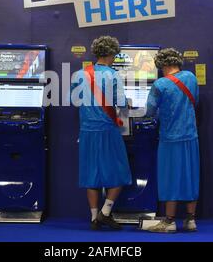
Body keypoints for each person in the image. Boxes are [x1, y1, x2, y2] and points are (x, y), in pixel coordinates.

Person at [70, 36, 132, 231]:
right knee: (119, 173)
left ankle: (94, 218)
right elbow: (121, 103)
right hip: (107, 130)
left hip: (87, 131)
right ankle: (105, 213)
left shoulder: (79, 74)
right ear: (112, 54)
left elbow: (74, 100)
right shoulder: (113, 75)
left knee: (91, 175)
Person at [146, 48, 200, 233]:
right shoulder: (191, 78)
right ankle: (190, 220)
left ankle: (169, 221)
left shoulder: (160, 84)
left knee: (170, 177)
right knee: (190, 175)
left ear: (164, 65)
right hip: (190, 136)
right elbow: (195, 101)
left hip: (170, 138)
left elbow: (149, 111)